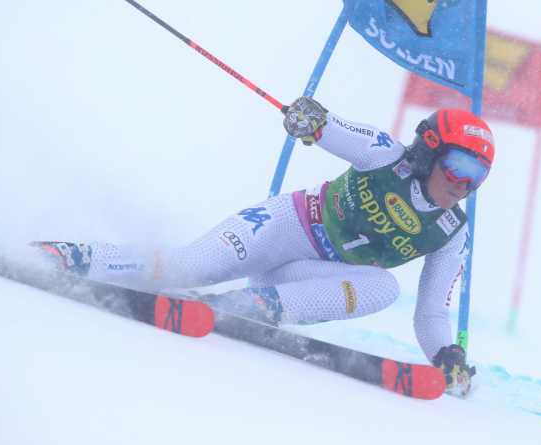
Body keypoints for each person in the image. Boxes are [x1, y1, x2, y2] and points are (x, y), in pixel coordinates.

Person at [37, 97, 494, 393]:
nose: (463, 184)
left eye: (477, 176)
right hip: (283, 228)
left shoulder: (451, 231)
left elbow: (431, 313)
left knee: (384, 288)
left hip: (302, 280)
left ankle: (247, 305)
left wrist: (446, 355)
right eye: (458, 166)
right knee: (189, 266)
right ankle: (73, 255)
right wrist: (311, 120)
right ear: (428, 150)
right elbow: (331, 128)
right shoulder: (384, 155)